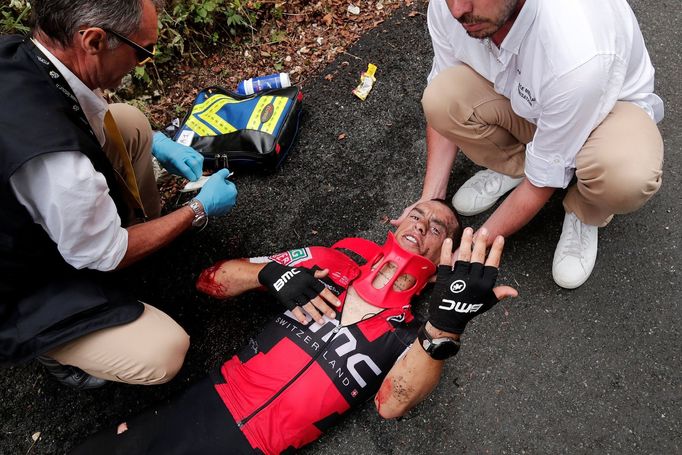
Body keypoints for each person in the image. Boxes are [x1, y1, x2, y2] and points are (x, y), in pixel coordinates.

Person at [71, 200, 517, 454]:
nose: (423, 225)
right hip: (209, 400)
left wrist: (446, 327)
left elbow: (390, 406)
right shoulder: (330, 262)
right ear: (396, 221)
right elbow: (213, 281)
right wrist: (266, 274)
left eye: (438, 228)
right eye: (418, 215)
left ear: (442, 260)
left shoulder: (410, 331)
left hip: (260, 447)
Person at [0, 0, 238, 389]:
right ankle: (52, 350)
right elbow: (105, 254)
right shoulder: (61, 169)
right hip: (17, 290)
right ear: (93, 40)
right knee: (163, 352)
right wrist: (197, 208)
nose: (143, 61)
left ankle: (140, 228)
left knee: (129, 123)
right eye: (141, 51)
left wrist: (158, 141)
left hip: (22, 217)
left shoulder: (24, 56)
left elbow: (77, 107)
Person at [393, 0, 664, 289]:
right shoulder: (452, 10)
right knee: (442, 98)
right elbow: (445, 86)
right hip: (536, 100)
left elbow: (541, 183)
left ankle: (585, 209)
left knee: (625, 177)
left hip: (606, 111)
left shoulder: (574, 51)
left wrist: (472, 249)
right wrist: (429, 202)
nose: (459, 10)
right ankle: (518, 166)